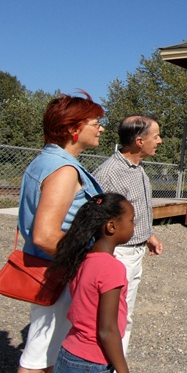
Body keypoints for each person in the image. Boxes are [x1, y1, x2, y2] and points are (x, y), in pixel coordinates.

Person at [17, 91, 105, 373]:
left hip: (51, 273)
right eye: (95, 122)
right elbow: (45, 235)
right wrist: (88, 265)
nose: (101, 128)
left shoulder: (45, 162)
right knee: (39, 362)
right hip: (60, 276)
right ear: (73, 129)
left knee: (46, 356)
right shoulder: (63, 169)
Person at [93, 115, 163, 352]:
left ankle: (115, 362)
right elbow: (99, 220)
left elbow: (134, 209)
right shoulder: (110, 173)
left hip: (134, 251)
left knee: (125, 314)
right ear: (139, 141)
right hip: (117, 256)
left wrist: (148, 234)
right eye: (156, 136)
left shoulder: (137, 169)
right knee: (111, 316)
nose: (160, 141)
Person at [49, 193, 135, 373]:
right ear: (112, 226)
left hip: (69, 353)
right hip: (92, 362)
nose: (133, 225)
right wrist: (123, 369)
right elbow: (107, 329)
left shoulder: (81, 259)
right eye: (131, 220)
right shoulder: (111, 268)